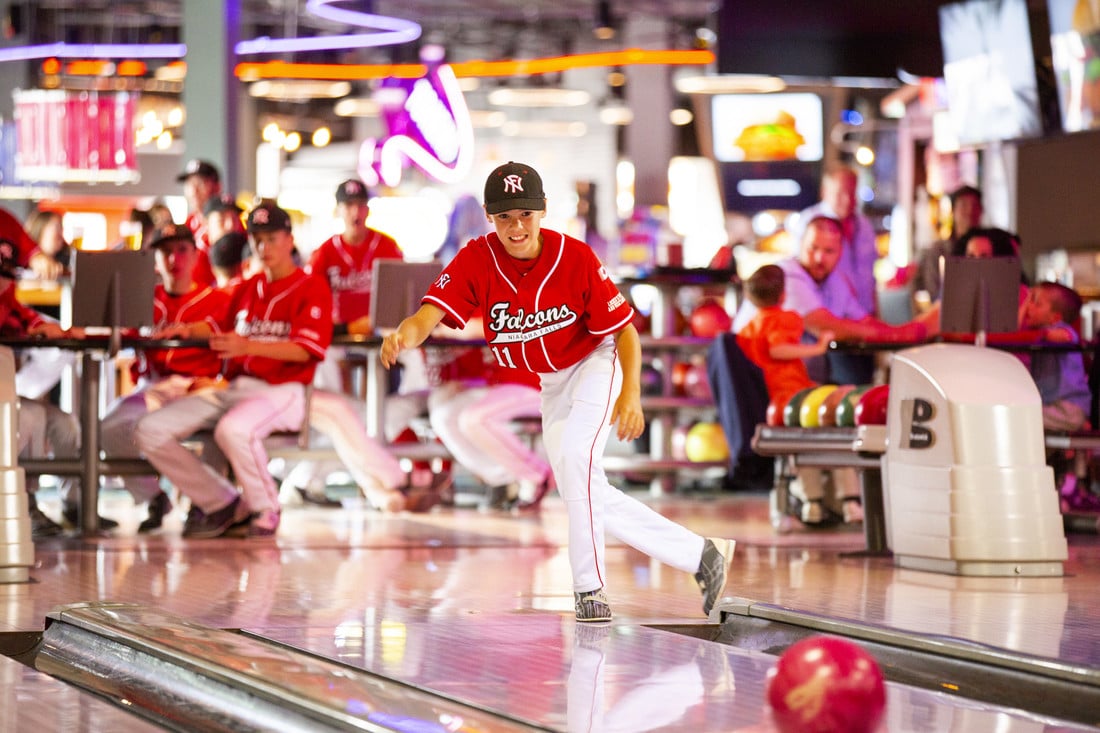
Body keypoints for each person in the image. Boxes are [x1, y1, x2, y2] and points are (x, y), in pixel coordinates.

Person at [380, 161, 736, 622]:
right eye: (505, 216)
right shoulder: (476, 258)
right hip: (550, 382)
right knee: (583, 487)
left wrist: (630, 395)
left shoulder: (576, 257)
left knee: (574, 462)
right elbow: (430, 312)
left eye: (525, 213)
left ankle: (590, 591)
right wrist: (405, 335)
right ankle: (702, 556)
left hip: (595, 364)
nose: (516, 226)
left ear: (543, 210)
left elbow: (625, 332)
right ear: (491, 217)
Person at [134, 203, 335, 539]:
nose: (264, 247)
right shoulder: (246, 287)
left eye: (272, 238)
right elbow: (216, 327)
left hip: (284, 390)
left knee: (233, 429)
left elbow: (307, 350)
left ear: (289, 240)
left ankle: (265, 508)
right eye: (258, 240)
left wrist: (249, 346)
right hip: (234, 388)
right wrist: (187, 330)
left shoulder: (311, 285)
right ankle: (223, 502)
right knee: (148, 430)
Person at [99, 223, 234, 533]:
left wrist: (195, 336)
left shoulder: (217, 298)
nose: (175, 258)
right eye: (165, 251)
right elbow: (116, 334)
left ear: (197, 255)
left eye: (182, 250)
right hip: (154, 385)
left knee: (210, 434)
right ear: (154, 259)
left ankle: (210, 505)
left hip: (200, 385)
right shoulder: (143, 298)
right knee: (109, 427)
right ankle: (153, 496)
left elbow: (230, 337)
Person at [733, 216, 929, 385]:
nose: (819, 257)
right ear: (800, 245)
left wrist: (897, 332)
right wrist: (900, 334)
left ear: (840, 252)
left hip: (789, 378)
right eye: (813, 248)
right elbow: (826, 325)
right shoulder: (786, 277)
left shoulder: (834, 279)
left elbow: (862, 320)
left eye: (829, 251)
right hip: (754, 378)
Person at [736, 264, 862, 524]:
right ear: (783, 294)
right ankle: (850, 499)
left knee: (803, 446)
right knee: (839, 419)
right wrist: (817, 348)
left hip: (776, 400)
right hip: (791, 395)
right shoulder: (784, 319)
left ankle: (812, 501)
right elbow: (778, 349)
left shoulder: (749, 329)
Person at [795, 164, 878, 315]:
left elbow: (870, 276)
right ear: (825, 192)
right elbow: (802, 274)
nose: (847, 201)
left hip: (863, 314)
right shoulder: (808, 223)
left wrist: (875, 314)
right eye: (840, 194)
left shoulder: (864, 225)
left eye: (851, 193)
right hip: (830, 317)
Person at [910, 184, 983, 307]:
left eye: (975, 205)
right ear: (953, 211)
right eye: (964, 205)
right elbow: (935, 294)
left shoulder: (993, 246)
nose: (970, 211)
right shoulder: (938, 251)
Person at [176, 158, 221, 287]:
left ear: (217, 187)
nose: (194, 191)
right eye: (190, 184)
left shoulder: (228, 222)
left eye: (201, 183)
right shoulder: (188, 223)